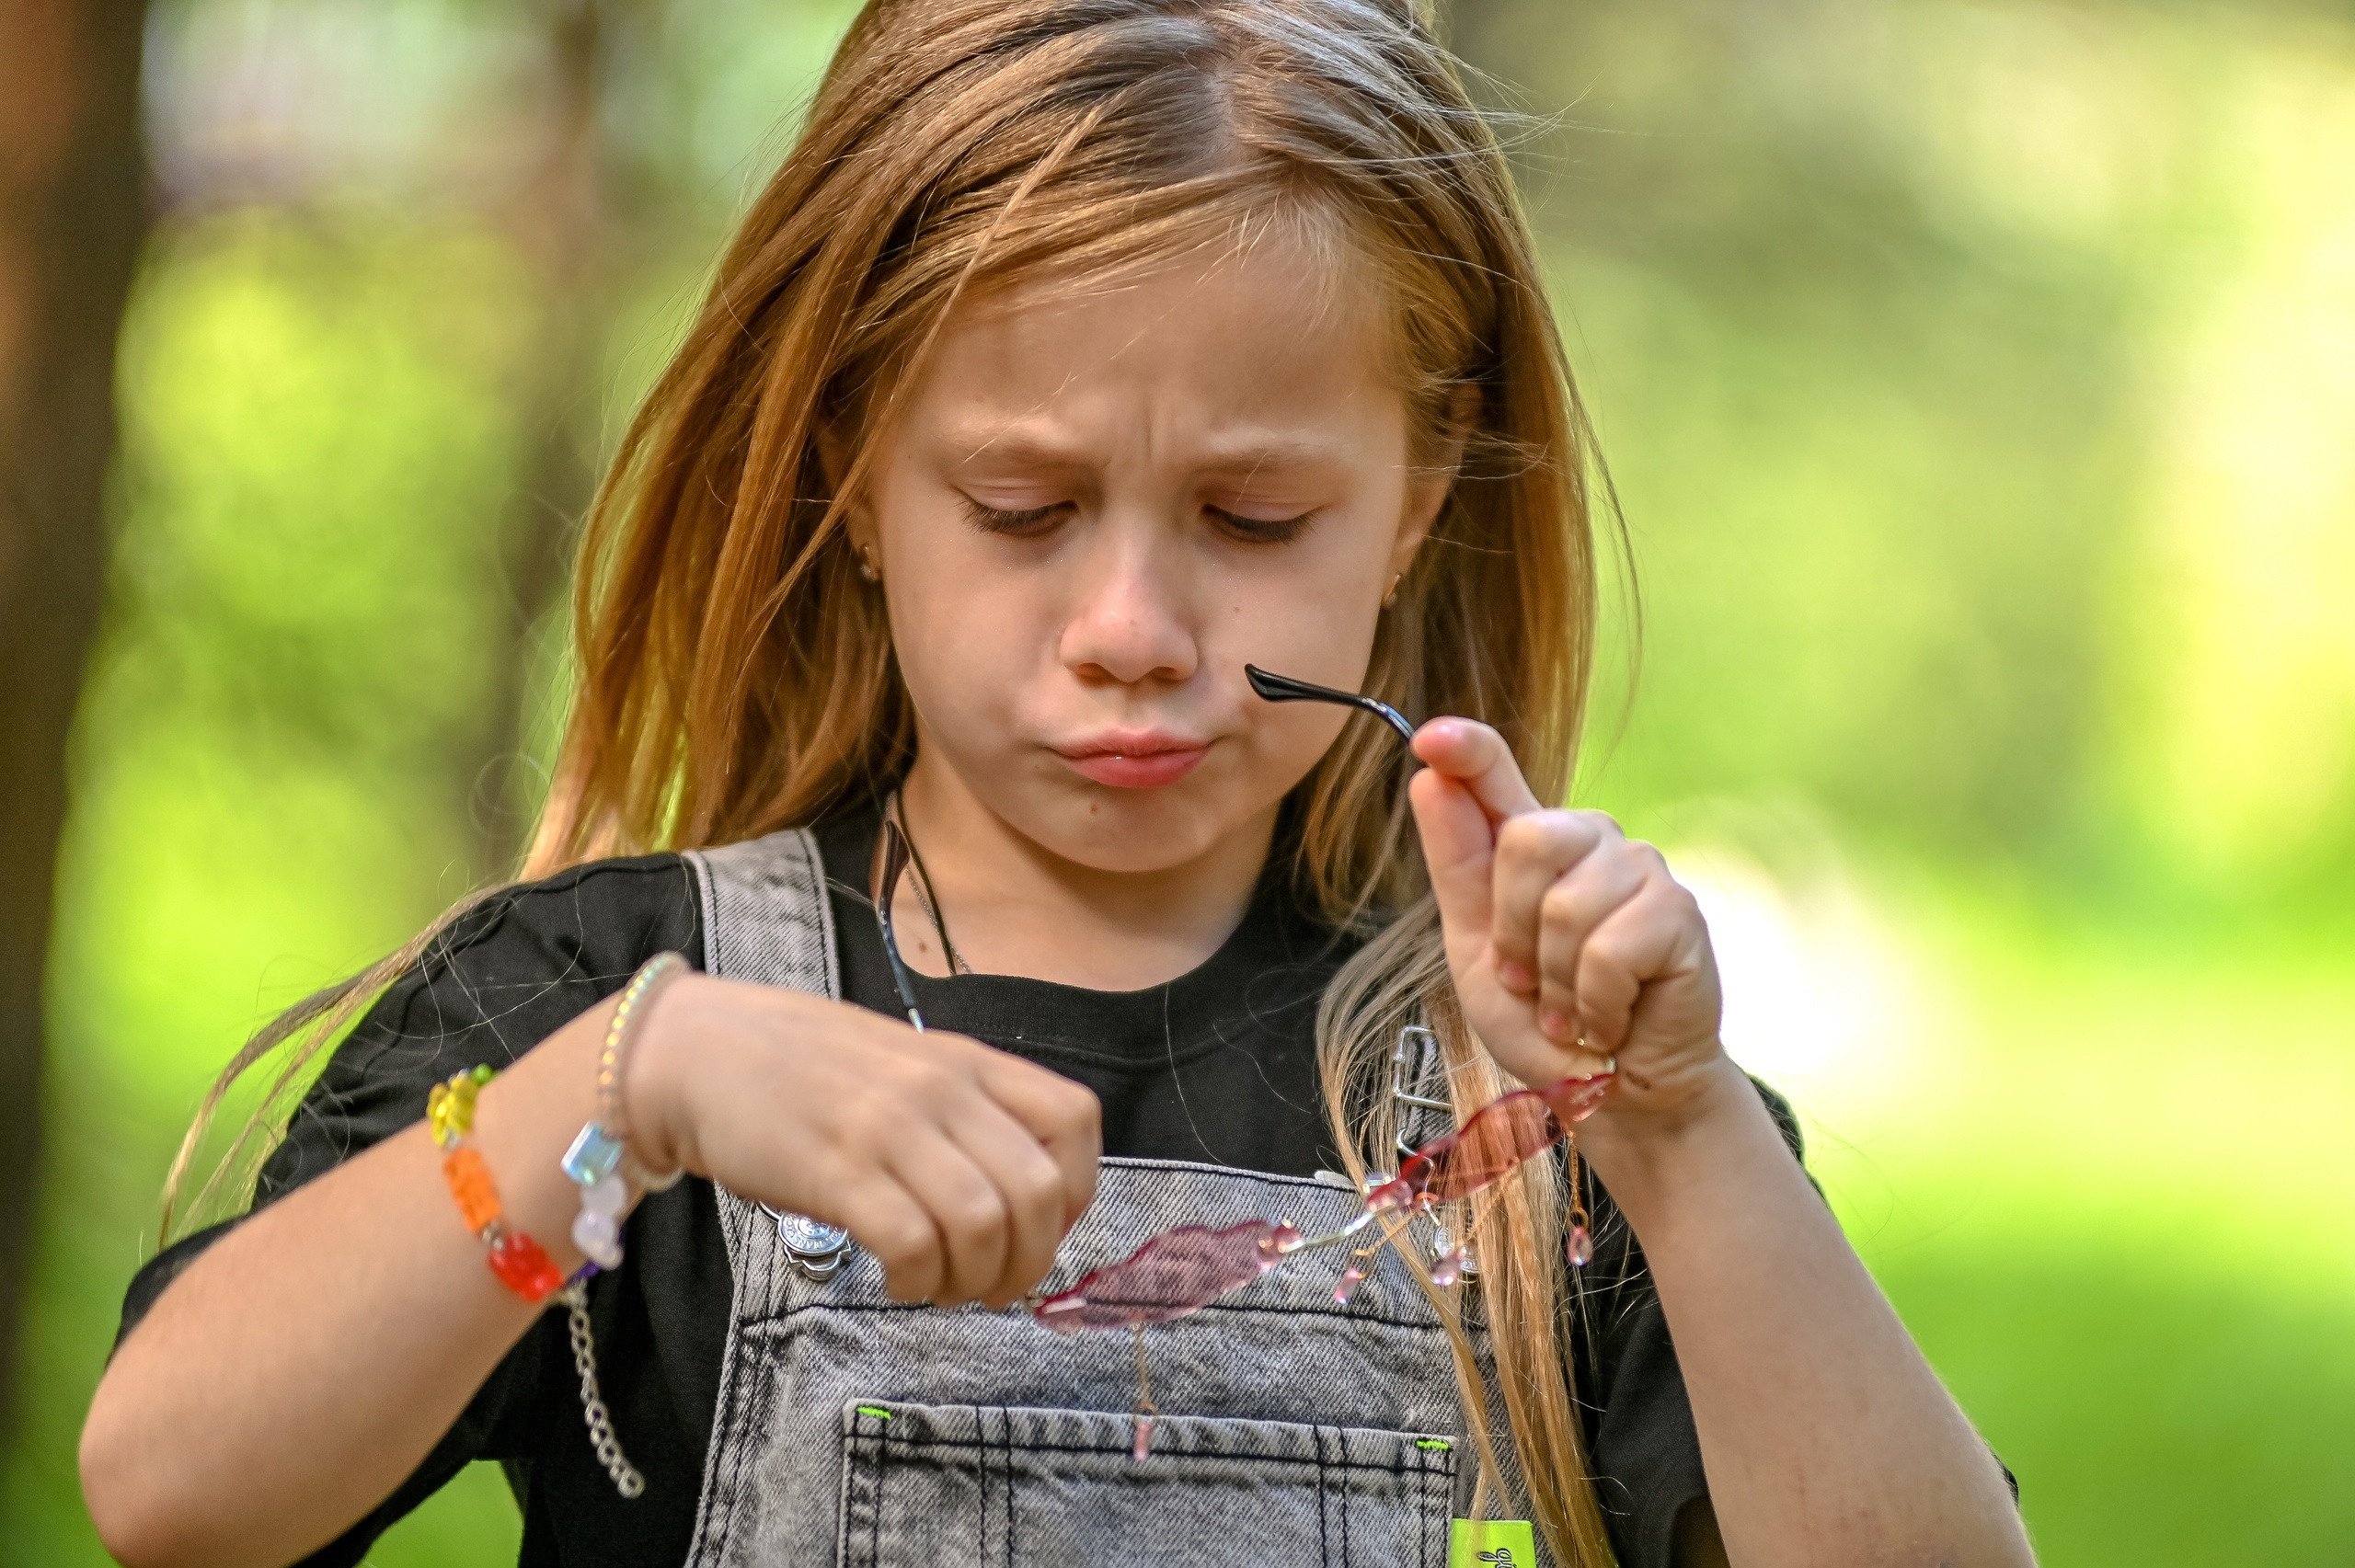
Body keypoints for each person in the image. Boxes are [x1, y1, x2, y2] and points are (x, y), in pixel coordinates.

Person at [78, 3, 2031, 1564]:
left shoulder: (1544, 1116)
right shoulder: (610, 1020)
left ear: (1417, 498)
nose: (1131, 626)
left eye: (1252, 516)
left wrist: (1679, 1136)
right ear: (853, 475)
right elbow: (172, 1497)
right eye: (1021, 506)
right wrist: (612, 1102)